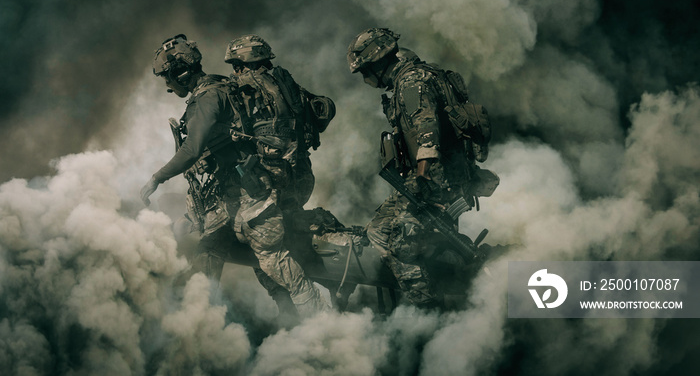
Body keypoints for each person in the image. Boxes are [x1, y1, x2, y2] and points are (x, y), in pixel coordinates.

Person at [140, 34, 325, 319]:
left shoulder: (210, 96)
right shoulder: (225, 88)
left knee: (271, 259)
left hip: (255, 190)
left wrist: (156, 178)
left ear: (181, 71)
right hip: (247, 188)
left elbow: (192, 149)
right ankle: (202, 315)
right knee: (219, 245)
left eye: (168, 77)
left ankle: (319, 318)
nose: (167, 85)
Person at [346, 28, 498, 309]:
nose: (366, 79)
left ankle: (430, 309)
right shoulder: (427, 74)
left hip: (436, 182)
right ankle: (465, 286)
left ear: (379, 62)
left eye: (366, 71)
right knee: (378, 230)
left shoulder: (411, 82)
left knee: (398, 246)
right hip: (447, 176)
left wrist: (422, 175)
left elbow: (427, 129)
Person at [222, 34, 340, 309]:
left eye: (236, 65)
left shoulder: (244, 89)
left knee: (259, 240)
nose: (235, 72)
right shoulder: (288, 85)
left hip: (272, 180)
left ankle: (307, 308)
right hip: (301, 177)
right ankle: (317, 297)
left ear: (245, 63)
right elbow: (322, 112)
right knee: (288, 234)